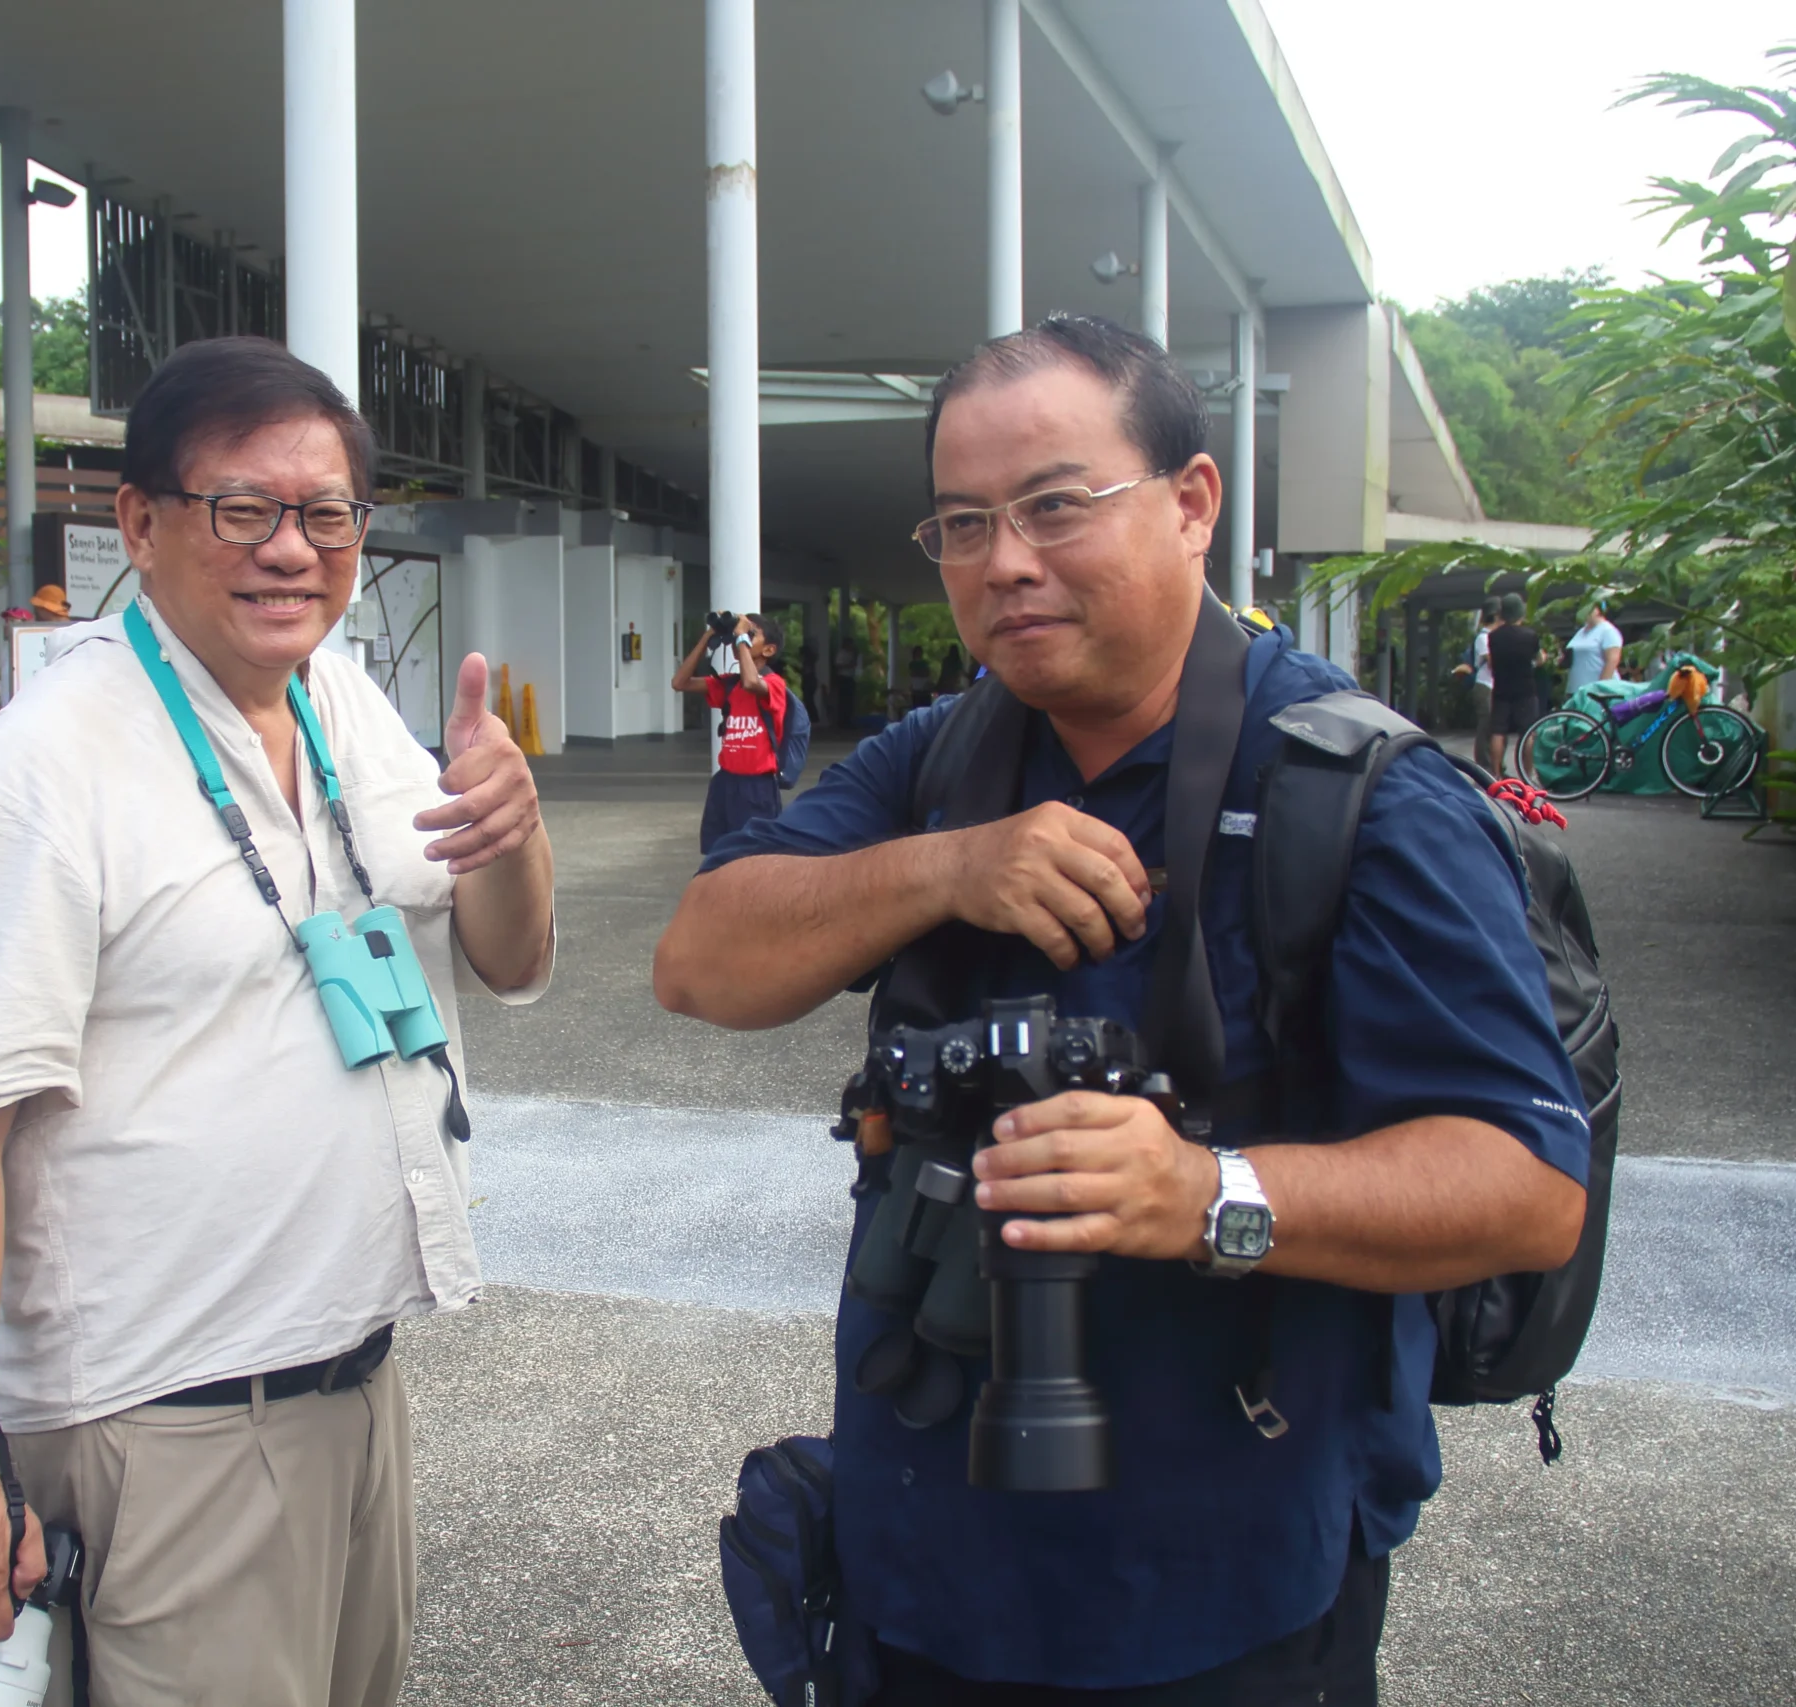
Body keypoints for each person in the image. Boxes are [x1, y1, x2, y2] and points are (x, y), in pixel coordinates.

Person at [654, 316, 1589, 1705]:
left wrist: (1209, 1195)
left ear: (1191, 502)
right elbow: (700, 963)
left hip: (1222, 1593)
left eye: (1055, 505)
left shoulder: (1357, 794)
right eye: (963, 523)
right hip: (922, 1560)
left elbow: (1526, 1186)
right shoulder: (942, 758)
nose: (1004, 561)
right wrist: (948, 867)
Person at [0, 335, 557, 1707]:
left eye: (328, 514)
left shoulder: (343, 700)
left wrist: (513, 831)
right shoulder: (36, 783)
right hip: (167, 1421)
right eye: (243, 509)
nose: (291, 550)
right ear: (140, 522)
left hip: (352, 1382)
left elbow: (507, 958)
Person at [673, 611, 791, 854]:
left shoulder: (774, 684)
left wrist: (740, 638)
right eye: (740, 635)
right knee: (717, 852)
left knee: (753, 856)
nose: (741, 639)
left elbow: (751, 682)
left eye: (751, 634)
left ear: (769, 650)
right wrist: (709, 636)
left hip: (756, 787)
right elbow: (680, 682)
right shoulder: (729, 684)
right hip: (725, 782)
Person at [1486, 593, 1543, 778]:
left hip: (1501, 689)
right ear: (1521, 613)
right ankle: (1527, 776)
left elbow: (1491, 662)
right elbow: (1539, 659)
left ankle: (1495, 774)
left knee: (1498, 732)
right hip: (1525, 690)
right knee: (1527, 734)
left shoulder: (1493, 637)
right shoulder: (1530, 636)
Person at [1452, 600, 1500, 771]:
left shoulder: (1493, 637)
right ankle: (1484, 764)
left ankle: (1494, 764)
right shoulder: (1483, 638)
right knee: (1485, 726)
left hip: (1493, 686)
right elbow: (1492, 661)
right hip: (1484, 685)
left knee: (1493, 726)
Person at [1565, 602, 1624, 694]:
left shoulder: (1607, 630)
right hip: (1577, 689)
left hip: (1597, 691)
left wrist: (1600, 688)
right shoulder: (1581, 632)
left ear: (1598, 610)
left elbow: (1612, 660)